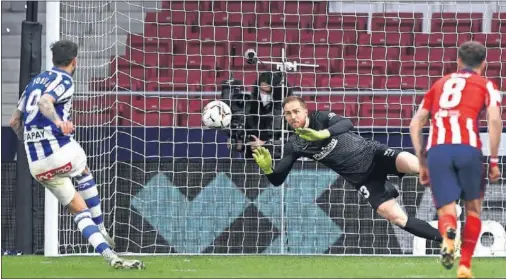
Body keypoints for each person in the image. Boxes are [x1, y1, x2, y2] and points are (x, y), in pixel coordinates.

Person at [9, 40, 144, 269]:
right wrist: (59, 121)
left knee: (78, 210)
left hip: (37, 165)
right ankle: (100, 225)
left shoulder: (34, 81)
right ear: (74, 61)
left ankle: (110, 256)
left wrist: (31, 140)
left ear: (53, 60)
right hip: (59, 150)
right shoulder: (65, 79)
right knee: (82, 168)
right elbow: (44, 102)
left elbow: (14, 121)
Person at [252, 96, 443, 246]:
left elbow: (347, 123)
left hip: (374, 154)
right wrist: (268, 168)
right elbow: (277, 179)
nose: (293, 117)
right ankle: (448, 241)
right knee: (397, 218)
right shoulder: (294, 145)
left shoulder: (321, 118)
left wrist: (323, 134)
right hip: (362, 179)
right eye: (288, 114)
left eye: (296, 111)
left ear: (305, 111)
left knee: (417, 166)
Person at [410, 41, 502, 278]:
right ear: (484, 64)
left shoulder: (439, 85)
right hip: (467, 149)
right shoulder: (487, 85)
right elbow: (494, 120)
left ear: (458, 61)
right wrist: (493, 160)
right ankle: (464, 266)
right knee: (473, 209)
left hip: (438, 151)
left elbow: (415, 124)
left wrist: (421, 161)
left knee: (446, 210)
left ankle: (449, 234)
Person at [223, 71, 293, 159]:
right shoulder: (250, 108)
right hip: (252, 163)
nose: (264, 95)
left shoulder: (289, 112)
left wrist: (265, 144)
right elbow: (244, 142)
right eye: (261, 91)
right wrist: (238, 144)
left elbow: (295, 142)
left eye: (268, 92)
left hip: (280, 162)